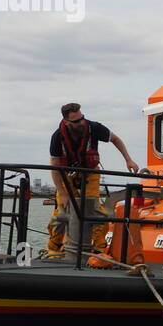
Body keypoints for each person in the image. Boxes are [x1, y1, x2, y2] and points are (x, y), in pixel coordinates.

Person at [46, 102, 139, 257]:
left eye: (82, 118)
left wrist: (128, 160)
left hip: (90, 173)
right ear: (67, 122)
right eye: (76, 121)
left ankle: (99, 250)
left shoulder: (94, 127)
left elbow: (116, 139)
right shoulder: (57, 137)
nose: (81, 122)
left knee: (94, 209)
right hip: (66, 175)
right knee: (62, 212)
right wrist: (62, 193)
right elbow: (54, 167)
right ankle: (54, 249)